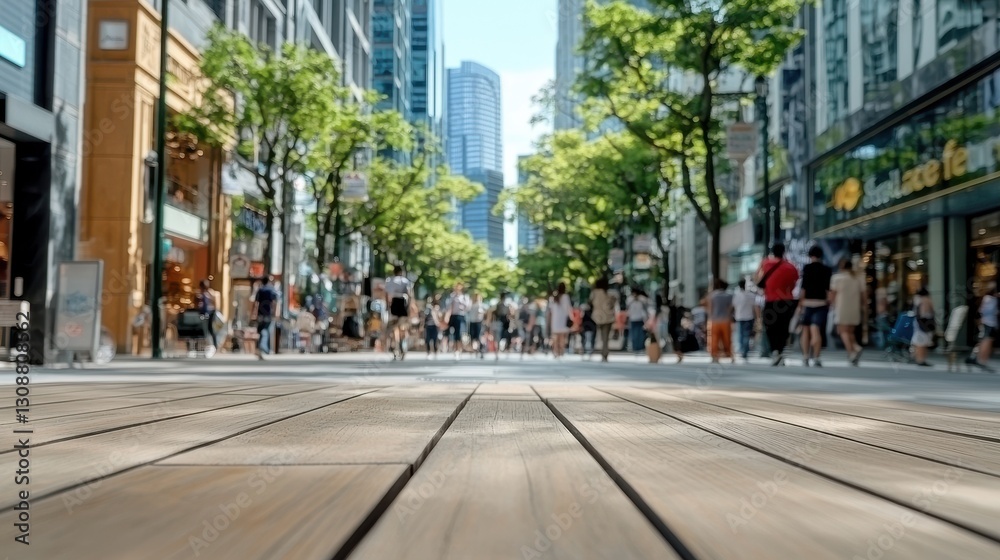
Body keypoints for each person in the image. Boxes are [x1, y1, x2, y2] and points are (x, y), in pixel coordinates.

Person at [756, 243, 800, 366]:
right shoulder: (791, 267)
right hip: (787, 301)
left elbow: (757, 278)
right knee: (783, 328)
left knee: (770, 327)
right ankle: (779, 351)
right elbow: (794, 283)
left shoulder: (765, 263)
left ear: (772, 252)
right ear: (783, 252)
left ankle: (776, 351)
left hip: (771, 301)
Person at [798, 246, 833, 367]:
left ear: (810, 255)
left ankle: (805, 357)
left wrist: (800, 304)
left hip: (807, 303)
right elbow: (828, 289)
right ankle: (817, 357)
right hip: (821, 304)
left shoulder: (807, 268)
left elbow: (803, 288)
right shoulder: (827, 270)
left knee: (805, 330)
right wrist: (830, 302)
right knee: (816, 330)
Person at [830, 259, 865, 366]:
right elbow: (863, 294)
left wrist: (832, 305)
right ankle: (855, 347)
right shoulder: (858, 278)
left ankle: (852, 352)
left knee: (842, 331)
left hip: (841, 307)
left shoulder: (837, 278)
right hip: (854, 307)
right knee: (850, 331)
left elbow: (833, 294)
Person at [385, 265, 415, 360]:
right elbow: (409, 294)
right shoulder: (405, 281)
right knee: (403, 326)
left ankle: (395, 347)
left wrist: (387, 305)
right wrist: (409, 306)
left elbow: (387, 294)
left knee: (394, 327)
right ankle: (403, 345)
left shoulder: (390, 280)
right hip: (403, 302)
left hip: (394, 303)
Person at [969, 282, 997, 371]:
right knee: (986, 341)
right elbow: (984, 311)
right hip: (988, 322)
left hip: (989, 322)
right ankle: (981, 360)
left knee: (985, 341)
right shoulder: (989, 299)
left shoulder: (989, 298)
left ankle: (979, 359)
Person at [706, 279, 735, 364]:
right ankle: (730, 355)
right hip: (726, 319)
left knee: (714, 339)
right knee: (727, 339)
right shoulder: (729, 295)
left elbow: (710, 308)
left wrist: (710, 317)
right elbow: (730, 308)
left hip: (714, 320)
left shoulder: (712, 296)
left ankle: (715, 356)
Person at [589, 277, 617, 362]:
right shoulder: (609, 293)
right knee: (606, 336)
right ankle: (605, 353)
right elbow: (613, 303)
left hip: (597, 316)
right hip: (608, 316)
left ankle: (597, 350)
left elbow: (590, 302)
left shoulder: (594, 293)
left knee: (599, 335)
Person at [251, 276, 279, 359]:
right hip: (268, 313)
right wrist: (275, 313)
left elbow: (256, 303)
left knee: (260, 330)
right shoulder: (272, 290)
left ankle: (259, 348)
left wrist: (253, 314)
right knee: (266, 330)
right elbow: (274, 302)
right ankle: (264, 347)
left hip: (260, 313)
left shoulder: (260, 290)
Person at [444, 282, 470, 359]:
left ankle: (458, 349)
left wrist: (461, 303)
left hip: (461, 315)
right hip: (453, 316)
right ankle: (453, 348)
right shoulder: (452, 296)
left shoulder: (464, 297)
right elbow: (448, 306)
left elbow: (467, 307)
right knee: (451, 333)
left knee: (459, 333)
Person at [733, 279, 757, 363]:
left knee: (740, 335)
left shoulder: (736, 295)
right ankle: (745, 352)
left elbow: (734, 307)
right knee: (747, 335)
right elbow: (755, 307)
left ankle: (742, 350)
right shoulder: (751, 295)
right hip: (749, 317)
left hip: (739, 317)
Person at [911, 287, 936, 367]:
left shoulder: (917, 299)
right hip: (924, 323)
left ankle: (919, 358)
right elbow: (924, 313)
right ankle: (921, 359)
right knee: (922, 342)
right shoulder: (925, 300)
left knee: (920, 342)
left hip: (919, 323)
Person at [547, 283, 573, 359]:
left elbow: (551, 310)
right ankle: (561, 352)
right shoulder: (566, 297)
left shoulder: (554, 297)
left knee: (555, 337)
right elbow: (569, 308)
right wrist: (571, 318)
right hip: (563, 320)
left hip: (555, 320)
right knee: (562, 337)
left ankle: (555, 351)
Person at [198, 279, 220, 356]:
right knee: (210, 329)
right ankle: (213, 345)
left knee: (210, 329)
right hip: (209, 313)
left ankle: (213, 345)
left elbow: (213, 304)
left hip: (210, 313)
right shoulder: (206, 293)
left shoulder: (209, 293)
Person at [626, 289, 650, 356]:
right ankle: (635, 347)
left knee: (639, 334)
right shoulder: (630, 299)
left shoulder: (642, 299)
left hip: (640, 318)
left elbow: (646, 306)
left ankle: (639, 347)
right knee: (635, 334)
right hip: (634, 318)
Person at [469, 292, 488, 359]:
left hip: (478, 322)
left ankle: (481, 349)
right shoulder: (471, 305)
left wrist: (485, 319)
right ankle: (475, 350)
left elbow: (484, 312)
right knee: (472, 336)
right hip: (472, 322)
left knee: (479, 336)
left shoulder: (480, 305)